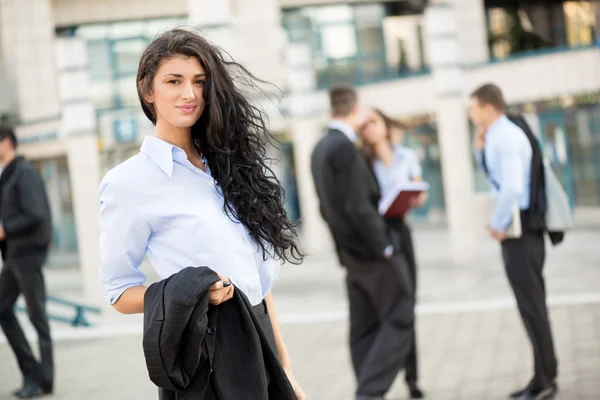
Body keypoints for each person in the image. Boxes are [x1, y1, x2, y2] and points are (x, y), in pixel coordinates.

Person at [98, 28, 305, 399]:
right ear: (148, 91)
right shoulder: (128, 183)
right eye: (173, 81)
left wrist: (285, 368)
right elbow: (118, 292)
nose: (189, 93)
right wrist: (190, 293)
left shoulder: (229, 168)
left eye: (199, 81)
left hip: (259, 339)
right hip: (207, 351)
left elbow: (260, 286)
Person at [311, 84, 414, 400]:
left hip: (350, 256)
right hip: (371, 253)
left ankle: (368, 391)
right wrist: (384, 245)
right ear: (354, 110)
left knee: (364, 327)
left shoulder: (318, 149)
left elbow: (325, 208)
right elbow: (359, 206)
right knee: (400, 316)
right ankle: (369, 393)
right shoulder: (344, 147)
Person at [469, 83, 558, 400]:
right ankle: (543, 376)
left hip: (521, 235)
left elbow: (510, 188)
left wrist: (497, 224)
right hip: (520, 234)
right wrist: (480, 151)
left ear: (487, 106)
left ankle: (545, 380)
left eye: (473, 107)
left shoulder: (505, 136)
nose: (470, 113)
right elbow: (497, 178)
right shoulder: (497, 135)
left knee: (532, 308)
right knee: (531, 307)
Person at [359, 108, 426, 399]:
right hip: (378, 234)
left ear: (385, 125)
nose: (369, 129)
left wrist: (416, 197)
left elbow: (418, 191)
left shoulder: (406, 156)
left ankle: (412, 378)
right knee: (390, 305)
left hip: (401, 229)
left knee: (409, 301)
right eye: (364, 126)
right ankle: (381, 374)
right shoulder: (362, 162)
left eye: (373, 122)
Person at [0, 125, 54, 399]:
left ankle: (43, 379)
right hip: (13, 256)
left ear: (6, 142)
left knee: (37, 318)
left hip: (27, 255)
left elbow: (37, 214)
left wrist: (5, 229)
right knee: (3, 309)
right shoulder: (8, 175)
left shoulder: (23, 172)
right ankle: (33, 373)